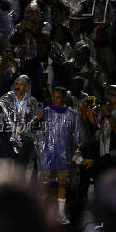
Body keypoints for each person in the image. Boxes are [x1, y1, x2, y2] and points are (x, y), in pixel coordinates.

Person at [37, 87, 81, 224]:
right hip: (48, 153)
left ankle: (60, 213)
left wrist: (78, 150)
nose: (56, 100)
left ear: (64, 99)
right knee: (45, 182)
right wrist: (37, 118)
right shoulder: (46, 112)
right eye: (54, 97)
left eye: (59, 97)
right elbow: (34, 128)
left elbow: (77, 134)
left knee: (62, 184)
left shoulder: (72, 114)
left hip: (64, 154)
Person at [0, 75, 41, 179]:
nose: (17, 86)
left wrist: (37, 119)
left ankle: (18, 192)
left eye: (21, 84)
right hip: (7, 137)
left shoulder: (32, 101)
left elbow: (35, 121)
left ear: (27, 87)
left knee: (21, 170)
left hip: (24, 140)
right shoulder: (7, 97)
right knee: (6, 167)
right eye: (16, 84)